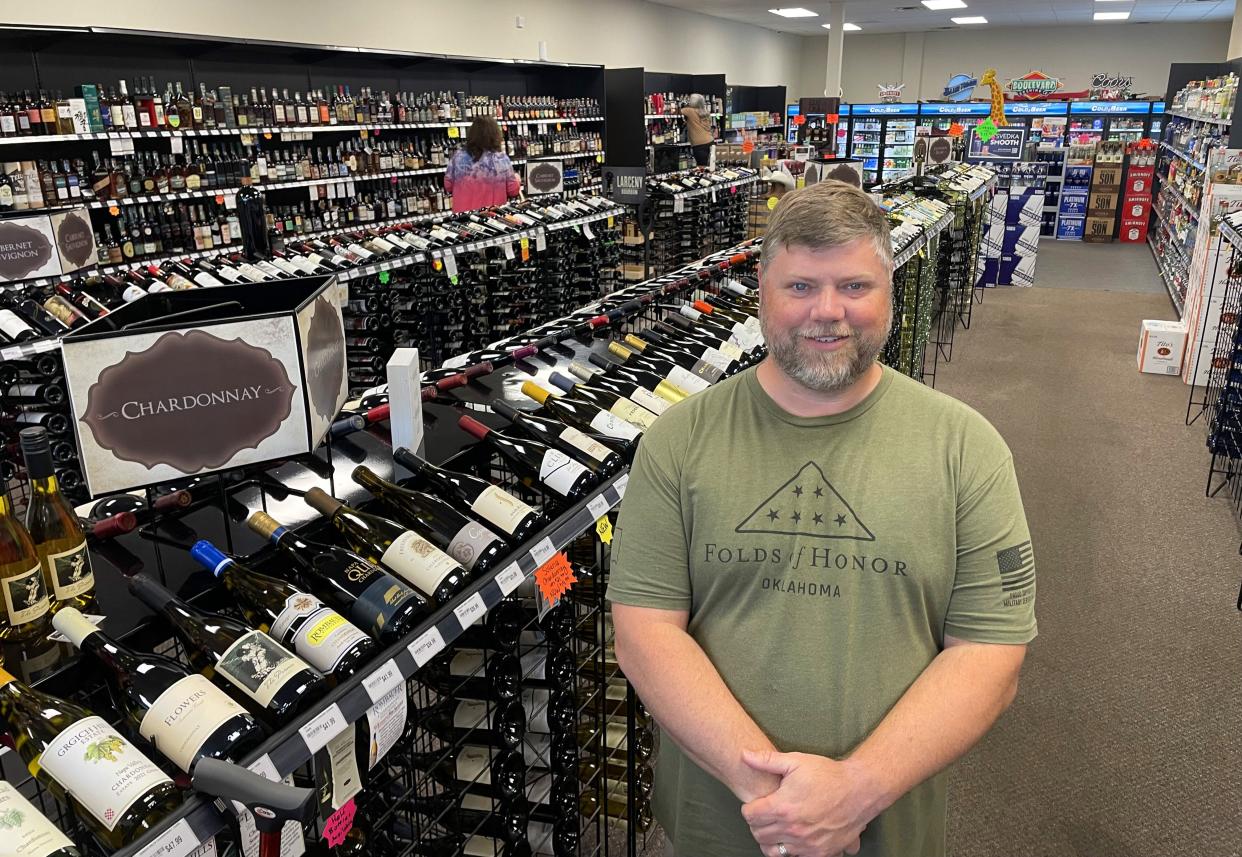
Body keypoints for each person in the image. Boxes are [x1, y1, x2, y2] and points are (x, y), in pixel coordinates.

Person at [608, 181, 1037, 857]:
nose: (828, 312)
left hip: (886, 831)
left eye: (854, 286)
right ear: (762, 290)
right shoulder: (678, 441)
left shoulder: (967, 448)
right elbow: (644, 634)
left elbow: (990, 654)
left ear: (890, 288)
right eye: (801, 286)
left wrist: (856, 790)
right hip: (710, 831)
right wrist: (782, 799)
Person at [443, 116, 521, 213]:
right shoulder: (501, 159)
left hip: (464, 218)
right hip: (492, 218)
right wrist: (517, 178)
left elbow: (448, 186)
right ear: (495, 135)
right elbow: (513, 191)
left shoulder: (458, 157)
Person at [682, 94, 715, 167]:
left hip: (699, 145)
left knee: (702, 167)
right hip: (710, 141)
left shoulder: (690, 111)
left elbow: (680, 110)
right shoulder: (706, 112)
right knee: (711, 166)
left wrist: (684, 104)